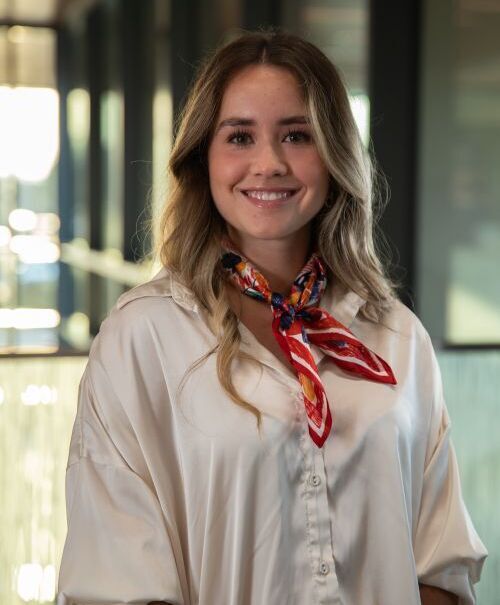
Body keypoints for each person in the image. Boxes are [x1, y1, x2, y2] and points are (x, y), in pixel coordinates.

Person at [57, 31, 487, 605]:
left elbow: (442, 563)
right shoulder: (142, 338)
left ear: (334, 155)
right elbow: (114, 578)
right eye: (240, 136)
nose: (269, 164)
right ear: (203, 159)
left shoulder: (397, 335)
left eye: (297, 135)